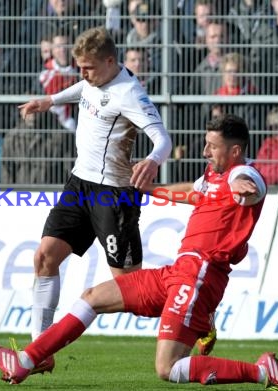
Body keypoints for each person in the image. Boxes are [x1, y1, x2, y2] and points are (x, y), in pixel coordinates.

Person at [0, 114, 278, 391]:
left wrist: (245, 189)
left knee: (167, 368)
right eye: (206, 143)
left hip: (200, 276)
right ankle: (25, 361)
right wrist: (147, 189)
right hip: (178, 271)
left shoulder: (243, 176)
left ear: (235, 151)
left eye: (213, 146)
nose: (205, 151)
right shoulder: (214, 176)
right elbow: (194, 193)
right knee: (93, 296)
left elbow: (251, 186)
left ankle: (263, 371)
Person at [16, 26, 172, 370]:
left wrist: (152, 159)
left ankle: (197, 313)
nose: (82, 74)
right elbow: (83, 90)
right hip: (79, 185)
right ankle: (41, 352)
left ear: (110, 61)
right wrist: (51, 101)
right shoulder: (94, 79)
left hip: (113, 196)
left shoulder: (129, 92)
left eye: (88, 68)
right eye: (80, 67)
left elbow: (162, 138)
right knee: (44, 257)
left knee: (132, 290)